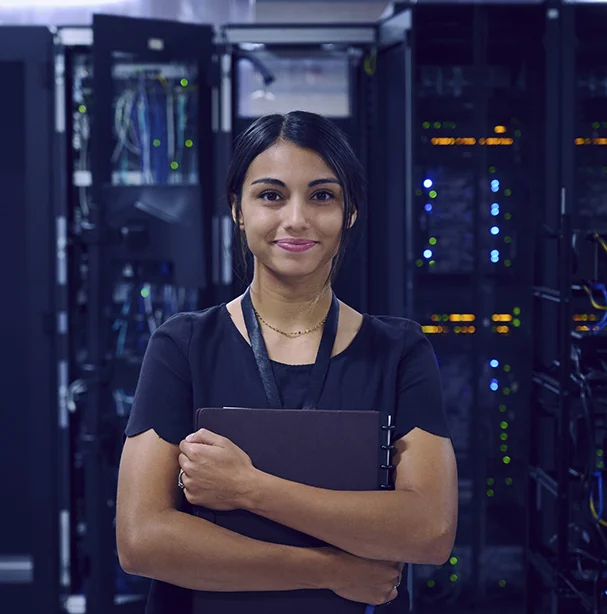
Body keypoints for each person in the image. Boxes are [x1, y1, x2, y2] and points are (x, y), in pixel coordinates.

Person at [116, 110, 458, 614]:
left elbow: (429, 531)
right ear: (237, 208)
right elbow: (141, 540)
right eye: (271, 195)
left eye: (322, 195)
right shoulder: (183, 346)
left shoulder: (399, 352)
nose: (296, 219)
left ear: (351, 211)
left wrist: (250, 489)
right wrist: (330, 570)